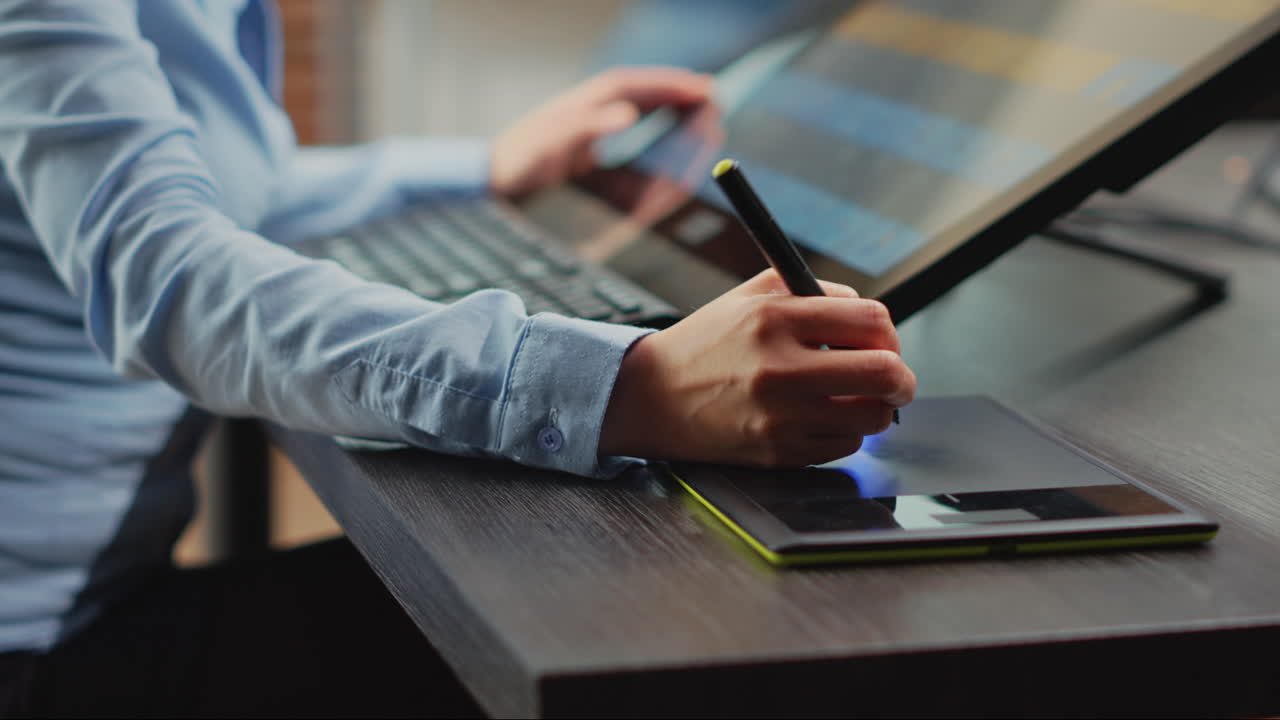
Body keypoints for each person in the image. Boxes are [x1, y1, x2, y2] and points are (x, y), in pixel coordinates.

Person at [0, 1, 915, 716]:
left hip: (96, 597)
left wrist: (482, 167)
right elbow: (170, 285)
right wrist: (629, 385)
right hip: (45, 658)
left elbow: (218, 189)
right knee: (642, 640)